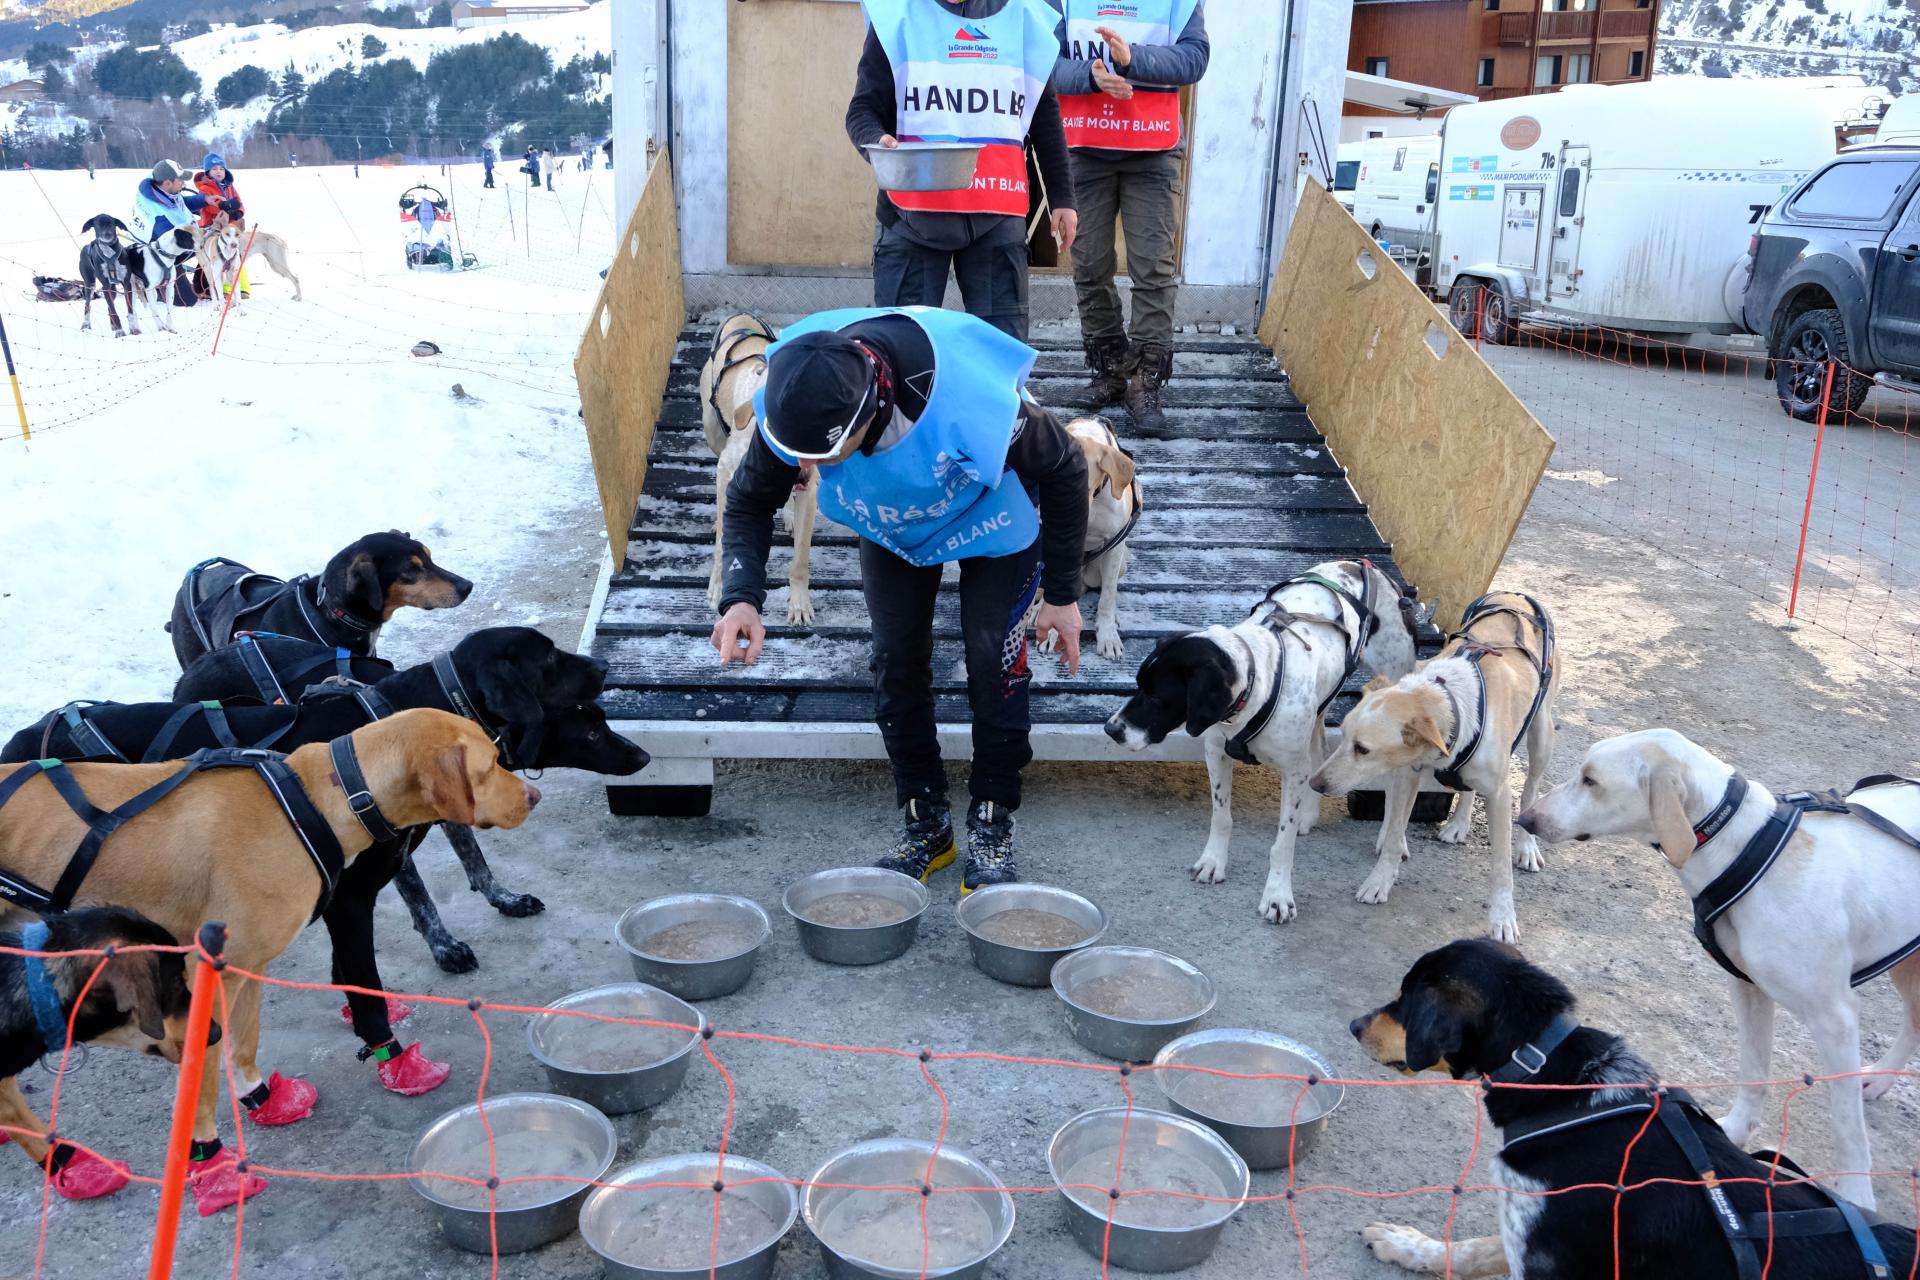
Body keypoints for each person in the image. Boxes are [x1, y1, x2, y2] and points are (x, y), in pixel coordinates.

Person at [712, 307, 1089, 893]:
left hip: (993, 513)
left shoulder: (977, 405)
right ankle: (925, 823)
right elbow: (749, 501)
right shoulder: (794, 393)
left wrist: (1063, 595)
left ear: (863, 417)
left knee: (994, 660)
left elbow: (1067, 468)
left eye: (821, 457)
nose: (805, 471)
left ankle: (993, 822)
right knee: (895, 658)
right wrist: (741, 599)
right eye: (798, 455)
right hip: (896, 519)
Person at [845, 0, 1078, 341]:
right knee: (904, 354)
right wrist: (877, 141)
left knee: (1000, 358)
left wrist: (1062, 197)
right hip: (911, 218)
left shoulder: (1023, 16)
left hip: (997, 214)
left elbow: (1042, 111)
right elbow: (862, 109)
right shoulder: (897, 17)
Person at [1050, 0, 1208, 433]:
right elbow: (1043, 61)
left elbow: (1195, 58)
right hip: (1083, 147)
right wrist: (1090, 76)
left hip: (1153, 149)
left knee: (1154, 267)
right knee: (1089, 265)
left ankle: (1146, 381)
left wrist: (1131, 57)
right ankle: (1112, 369)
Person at [131, 159, 215, 304]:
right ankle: (150, 286)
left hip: (168, 248)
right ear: (168, 183)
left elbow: (181, 202)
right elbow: (184, 243)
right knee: (186, 301)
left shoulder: (160, 189)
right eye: (181, 180)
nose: (184, 183)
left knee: (211, 244)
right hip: (155, 259)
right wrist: (211, 229)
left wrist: (205, 199)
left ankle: (203, 285)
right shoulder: (159, 219)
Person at [193, 153, 250, 299]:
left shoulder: (230, 186)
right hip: (212, 226)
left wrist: (238, 213)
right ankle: (219, 287)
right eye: (214, 169)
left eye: (221, 168)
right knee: (215, 256)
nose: (218, 171)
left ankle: (241, 288)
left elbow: (239, 203)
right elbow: (208, 205)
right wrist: (224, 207)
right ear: (207, 172)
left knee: (235, 254)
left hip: (229, 227)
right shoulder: (205, 187)